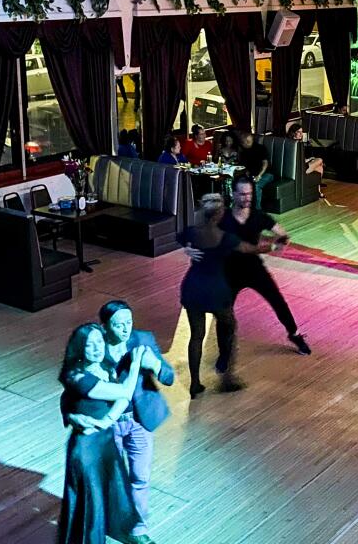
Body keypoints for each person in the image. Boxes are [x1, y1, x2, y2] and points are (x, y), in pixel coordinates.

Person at [56, 323, 153, 544]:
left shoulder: (106, 368)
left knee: (113, 492)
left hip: (105, 440)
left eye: (99, 342)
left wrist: (106, 421)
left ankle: (116, 533)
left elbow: (121, 399)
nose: (97, 348)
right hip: (87, 448)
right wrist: (136, 363)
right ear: (80, 348)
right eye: (89, 345)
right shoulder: (77, 376)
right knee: (92, 500)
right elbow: (125, 391)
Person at [92, 301, 174, 542]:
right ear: (104, 326)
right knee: (109, 477)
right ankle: (106, 522)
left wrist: (156, 365)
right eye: (119, 325)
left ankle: (138, 529)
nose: (126, 329)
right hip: (109, 424)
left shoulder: (143, 340)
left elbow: (169, 377)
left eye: (129, 322)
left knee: (141, 477)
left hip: (139, 421)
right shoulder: (94, 346)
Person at [178, 194, 271, 398]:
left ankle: (195, 384)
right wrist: (270, 246)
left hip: (193, 287)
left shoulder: (192, 232)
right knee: (228, 326)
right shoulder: (225, 238)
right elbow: (250, 249)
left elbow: (180, 238)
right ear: (219, 214)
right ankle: (227, 377)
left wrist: (187, 249)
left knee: (196, 336)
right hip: (216, 290)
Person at [221, 175, 311, 355]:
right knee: (224, 314)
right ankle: (224, 352)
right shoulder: (223, 218)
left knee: (278, 302)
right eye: (242, 194)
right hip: (230, 271)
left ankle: (295, 335)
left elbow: (281, 232)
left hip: (254, 269)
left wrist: (281, 242)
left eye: (249, 194)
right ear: (233, 194)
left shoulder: (258, 217)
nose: (247, 198)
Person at [237, 130, 272, 209]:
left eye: (243, 142)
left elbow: (265, 163)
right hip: (252, 174)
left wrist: (259, 175)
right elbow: (243, 165)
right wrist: (246, 172)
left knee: (256, 185)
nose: (242, 144)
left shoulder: (260, 148)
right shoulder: (243, 150)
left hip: (266, 173)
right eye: (241, 142)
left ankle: (257, 211)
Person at [286, 122, 324, 191]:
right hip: (298, 169)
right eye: (298, 132)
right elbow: (296, 160)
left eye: (302, 132)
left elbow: (300, 158)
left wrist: (309, 159)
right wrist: (309, 160)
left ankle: (318, 191)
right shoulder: (294, 144)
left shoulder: (296, 143)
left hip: (301, 165)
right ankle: (318, 190)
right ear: (293, 133)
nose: (301, 134)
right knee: (320, 160)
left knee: (319, 167)